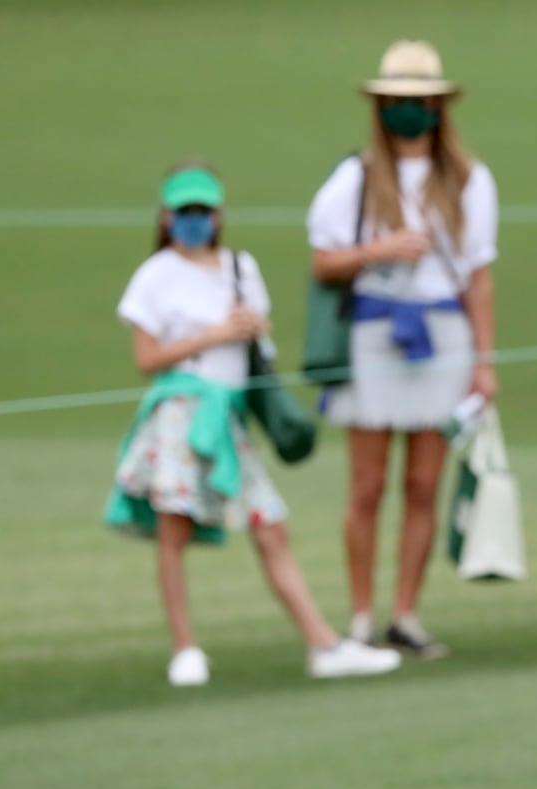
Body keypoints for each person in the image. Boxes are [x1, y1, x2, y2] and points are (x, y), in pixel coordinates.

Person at [105, 164, 402, 687]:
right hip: (182, 411)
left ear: (218, 215)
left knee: (270, 526)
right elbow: (148, 358)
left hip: (230, 415)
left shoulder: (240, 268)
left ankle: (322, 644)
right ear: (167, 217)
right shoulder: (155, 275)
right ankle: (185, 649)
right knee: (173, 528)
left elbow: (258, 346)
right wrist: (216, 333)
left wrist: (250, 331)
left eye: (203, 211)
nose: (195, 221)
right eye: (184, 212)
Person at [307, 40, 499, 658]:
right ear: (382, 107)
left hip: (442, 336)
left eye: (419, 102)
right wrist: (376, 252)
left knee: (423, 483)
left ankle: (406, 614)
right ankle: (361, 615)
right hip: (375, 332)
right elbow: (323, 259)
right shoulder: (357, 176)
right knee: (367, 485)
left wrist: (484, 361)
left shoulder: (469, 180)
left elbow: (478, 277)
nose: (409, 112)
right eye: (398, 102)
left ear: (440, 107)